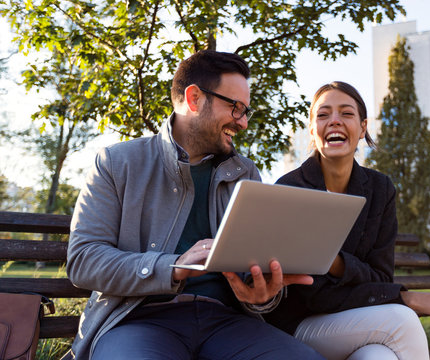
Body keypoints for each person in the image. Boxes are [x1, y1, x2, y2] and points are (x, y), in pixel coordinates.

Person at [64, 50, 324, 360]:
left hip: (228, 324)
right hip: (138, 321)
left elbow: (255, 267)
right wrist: (172, 267)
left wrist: (261, 296)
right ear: (194, 98)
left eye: (246, 112)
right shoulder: (118, 162)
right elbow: (84, 260)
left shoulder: (246, 173)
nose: (242, 122)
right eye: (236, 107)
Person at [263, 81, 430, 360]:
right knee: (403, 320)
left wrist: (335, 264)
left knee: (378, 356)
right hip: (297, 327)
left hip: (360, 323)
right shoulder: (290, 188)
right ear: (312, 129)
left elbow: (381, 276)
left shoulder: (380, 188)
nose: (334, 120)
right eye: (323, 115)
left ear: (362, 128)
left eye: (346, 113)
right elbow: (313, 294)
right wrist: (406, 297)